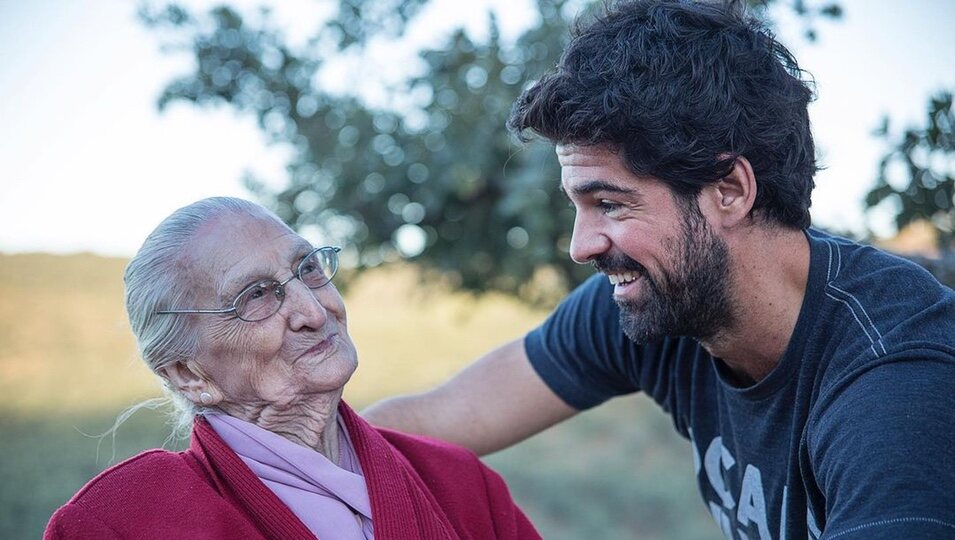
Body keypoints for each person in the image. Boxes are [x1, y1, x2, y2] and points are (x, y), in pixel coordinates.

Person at [363, 1, 955, 539]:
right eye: (579, 207)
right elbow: (428, 424)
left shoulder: (896, 383)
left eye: (611, 204)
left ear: (729, 191)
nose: (580, 246)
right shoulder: (659, 297)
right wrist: (276, 447)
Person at [44, 197, 540, 540]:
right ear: (187, 374)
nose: (314, 310)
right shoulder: (119, 522)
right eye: (256, 295)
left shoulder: (461, 484)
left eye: (307, 268)